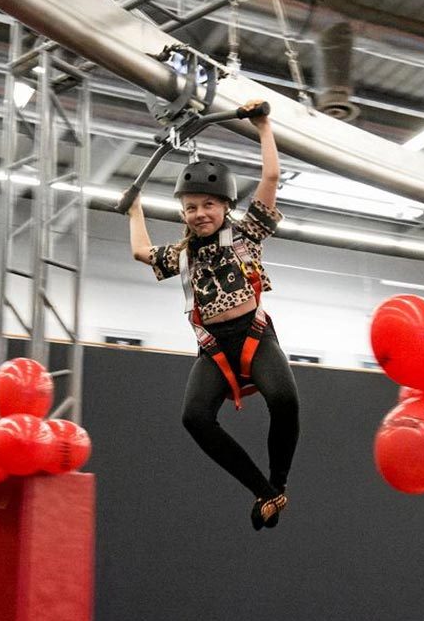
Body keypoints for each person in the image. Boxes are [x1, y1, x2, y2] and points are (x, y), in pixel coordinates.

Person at [126, 100, 300, 530]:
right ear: (183, 215)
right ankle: (264, 491)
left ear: (224, 204)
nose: (199, 214)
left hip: (255, 336)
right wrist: (135, 209)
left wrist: (263, 127)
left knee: (285, 401)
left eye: (207, 204)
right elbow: (140, 251)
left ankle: (279, 480)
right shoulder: (183, 253)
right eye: (190, 208)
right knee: (195, 419)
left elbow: (272, 176)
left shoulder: (246, 234)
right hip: (213, 349)